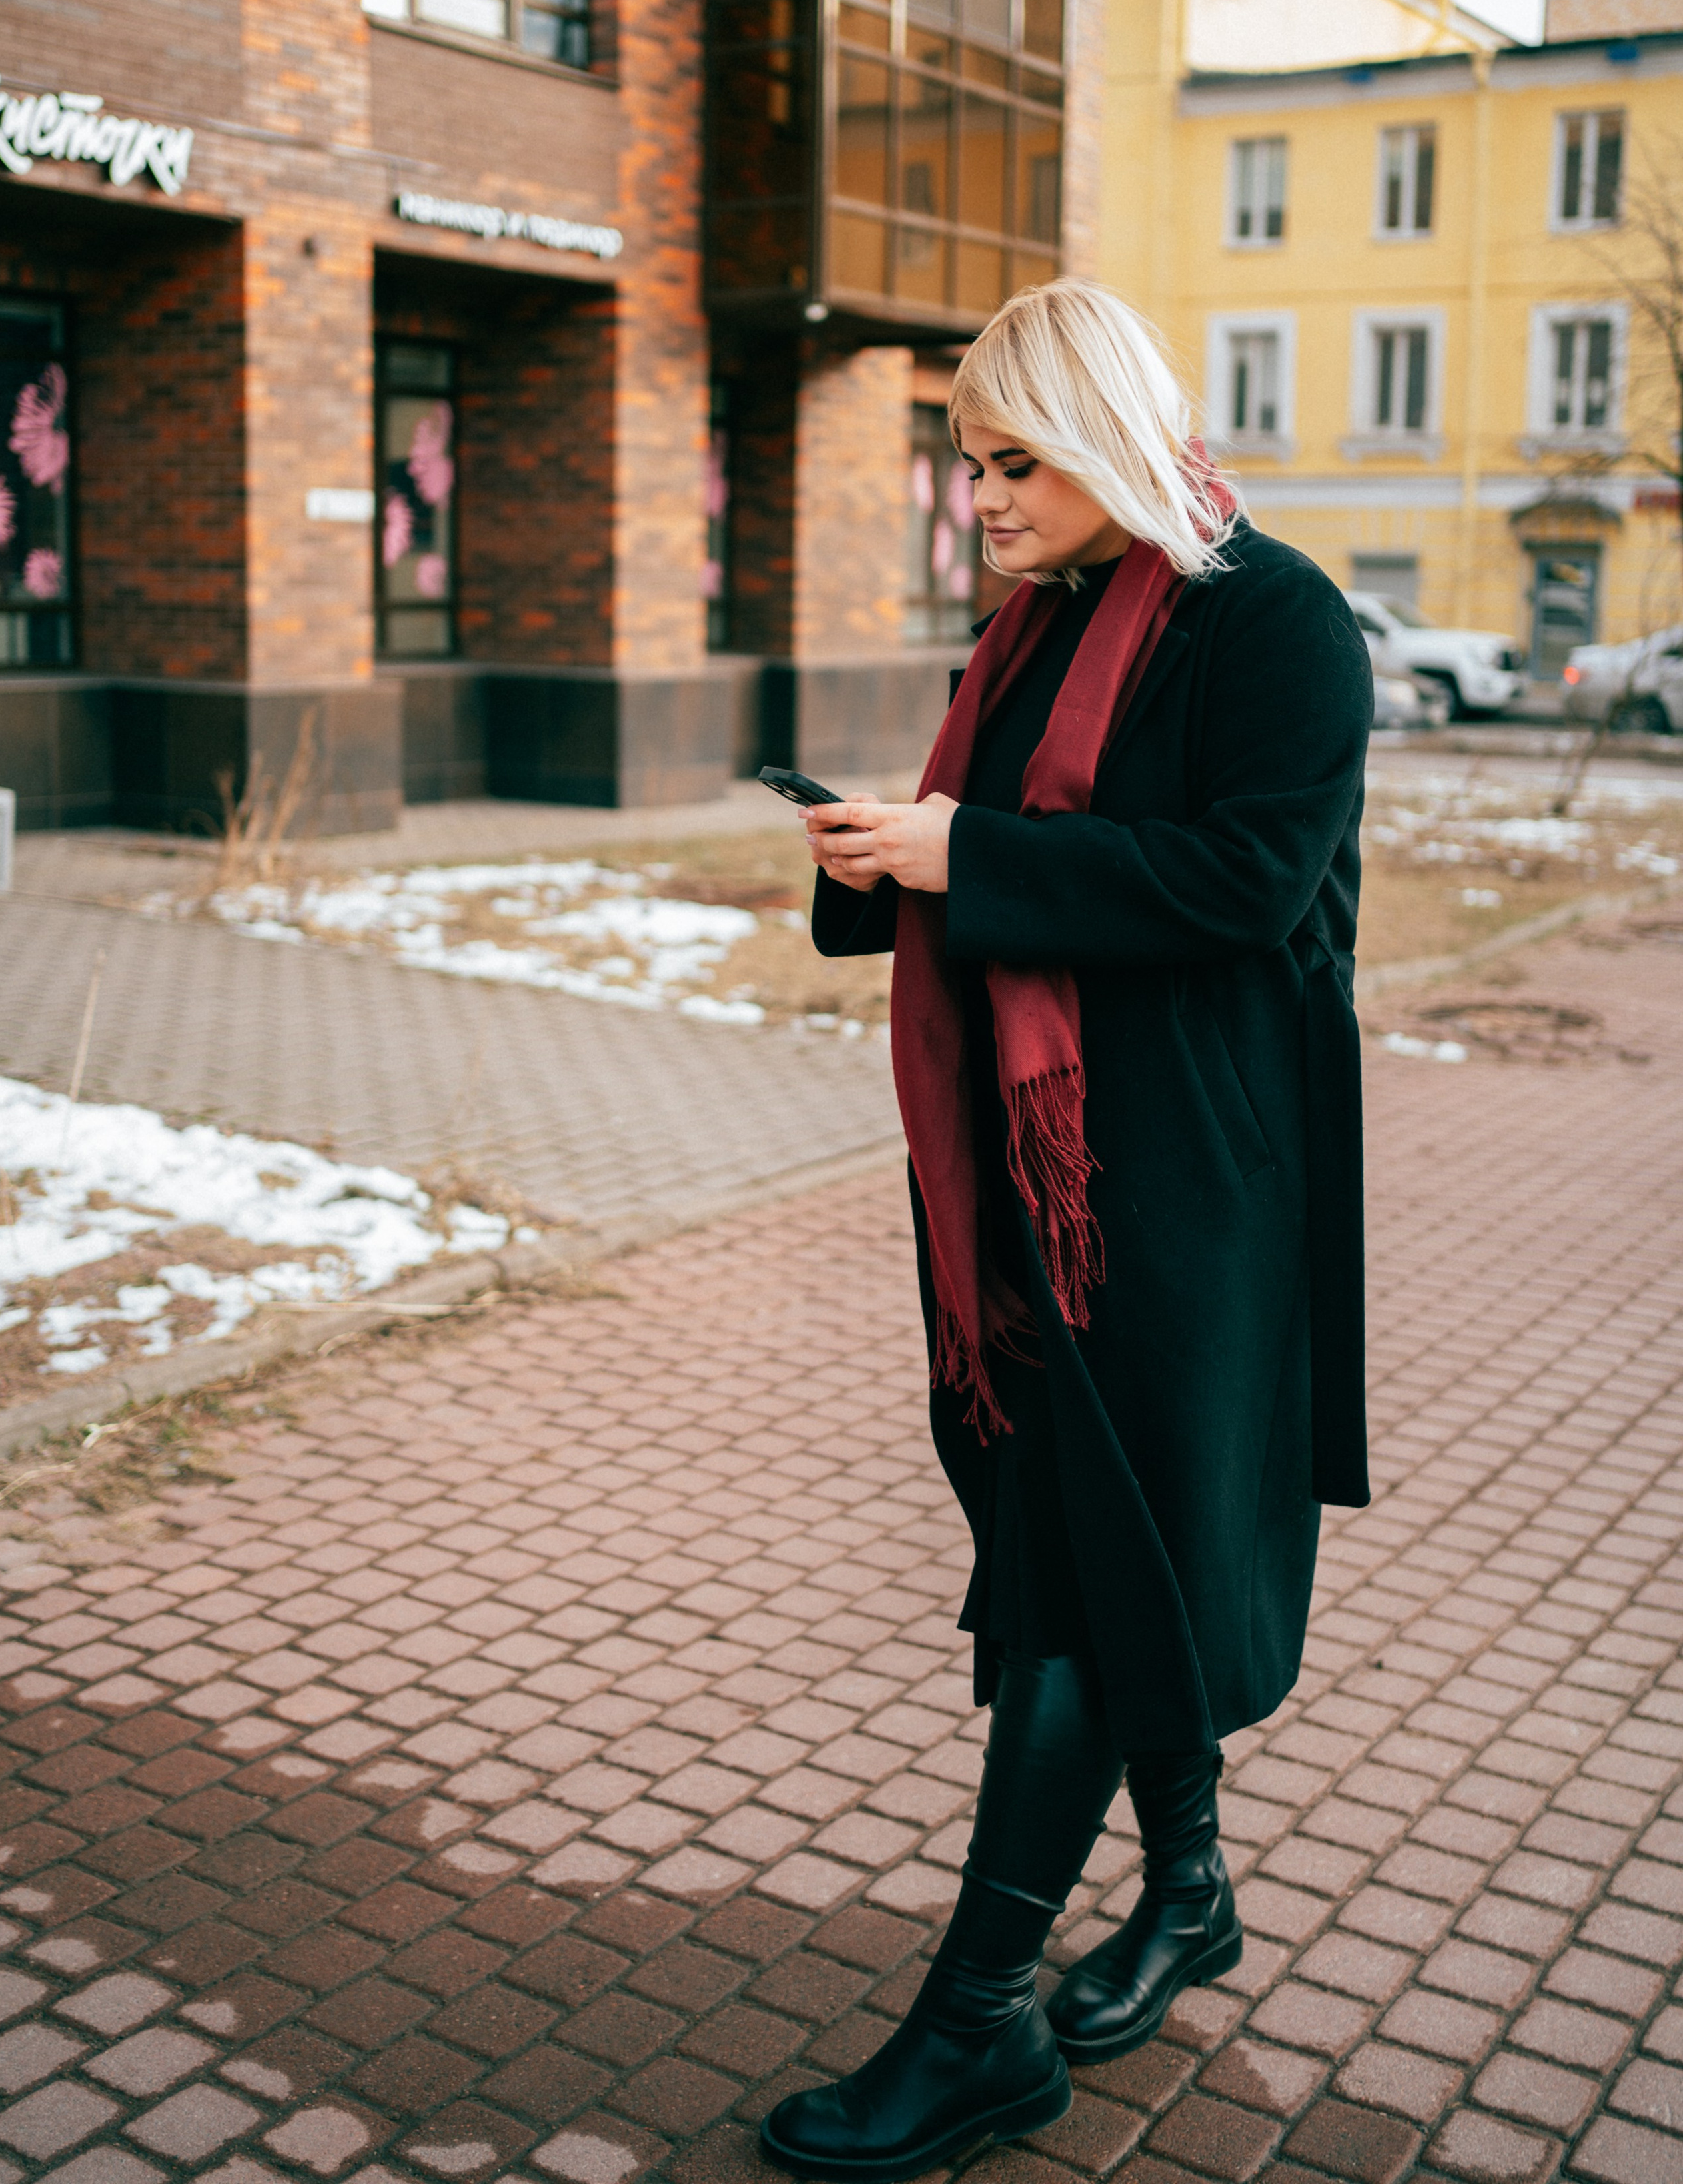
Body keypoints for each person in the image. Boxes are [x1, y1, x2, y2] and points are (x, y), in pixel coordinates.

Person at [759, 278, 1373, 2184]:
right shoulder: (1031, 630)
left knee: (1091, 1588)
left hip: (1191, 1191)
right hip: (1043, 1190)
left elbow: (1249, 885)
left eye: (1011, 463)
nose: (985, 505)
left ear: (1106, 436)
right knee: (1110, 1560)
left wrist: (973, 858)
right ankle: (1186, 1895)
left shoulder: (1275, 621)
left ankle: (977, 2030)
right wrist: (883, 863)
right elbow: (987, 861)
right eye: (971, 466)